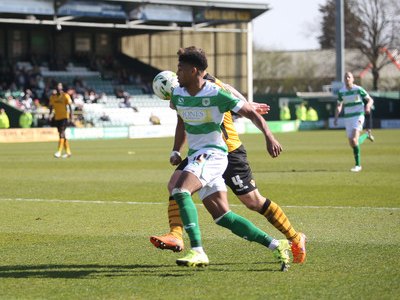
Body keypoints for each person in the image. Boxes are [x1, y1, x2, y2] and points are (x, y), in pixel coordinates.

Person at [151, 61, 307, 267]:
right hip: (201, 151)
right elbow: (182, 119)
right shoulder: (184, 93)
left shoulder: (207, 85)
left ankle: (295, 237)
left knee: (253, 202)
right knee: (178, 186)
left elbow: (228, 89)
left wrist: (247, 104)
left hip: (229, 151)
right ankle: (176, 234)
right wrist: (175, 150)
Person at [334, 72, 374, 172]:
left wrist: (368, 106)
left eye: (349, 77)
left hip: (358, 116)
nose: (347, 78)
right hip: (348, 118)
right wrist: (336, 116)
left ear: (353, 79)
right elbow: (339, 105)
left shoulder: (358, 89)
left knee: (354, 140)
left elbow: (370, 100)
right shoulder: (341, 92)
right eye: (345, 77)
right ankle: (367, 135)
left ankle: (358, 165)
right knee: (352, 143)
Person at [48, 82, 73, 158]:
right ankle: (68, 152)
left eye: (60, 86)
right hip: (57, 117)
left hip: (64, 117)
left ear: (62, 87)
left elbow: (70, 106)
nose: (59, 88)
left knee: (62, 133)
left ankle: (59, 151)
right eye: (57, 86)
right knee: (61, 134)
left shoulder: (65, 96)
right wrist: (50, 114)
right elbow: (51, 106)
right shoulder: (53, 97)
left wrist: (71, 116)